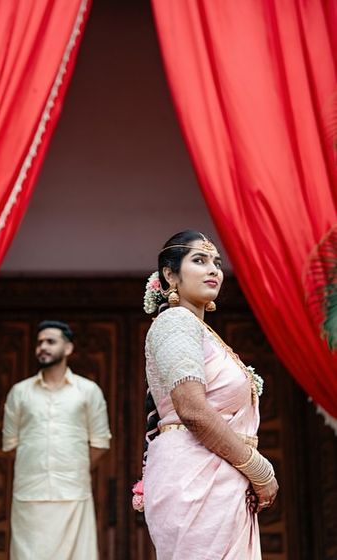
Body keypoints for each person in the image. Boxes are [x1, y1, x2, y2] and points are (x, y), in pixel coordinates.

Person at [133, 230, 278, 559]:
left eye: (217, 262)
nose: (214, 269)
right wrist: (259, 470)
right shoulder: (176, 322)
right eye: (199, 260)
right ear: (170, 275)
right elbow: (193, 410)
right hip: (195, 479)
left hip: (217, 475)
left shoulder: (200, 331)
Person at [2, 320, 111, 560]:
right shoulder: (19, 392)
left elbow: (100, 443)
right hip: (30, 495)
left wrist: (71, 468)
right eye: (39, 343)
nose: (43, 347)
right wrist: (38, 465)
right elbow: (11, 446)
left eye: (50, 342)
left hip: (74, 493)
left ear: (68, 348)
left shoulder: (88, 390)